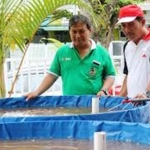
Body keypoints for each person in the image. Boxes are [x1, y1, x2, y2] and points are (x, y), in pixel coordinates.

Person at [25, 14, 115, 100]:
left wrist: (103, 90)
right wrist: (37, 92)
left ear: (90, 31)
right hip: (69, 105)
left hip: (94, 104)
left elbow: (110, 75)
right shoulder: (62, 52)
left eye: (81, 31)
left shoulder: (102, 52)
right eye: (74, 31)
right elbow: (52, 76)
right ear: (69, 32)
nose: (78, 35)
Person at [117, 4, 150, 99]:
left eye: (131, 24)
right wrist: (118, 99)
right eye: (123, 26)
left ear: (142, 22)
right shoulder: (127, 46)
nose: (127, 30)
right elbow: (129, 74)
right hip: (133, 104)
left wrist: (146, 94)